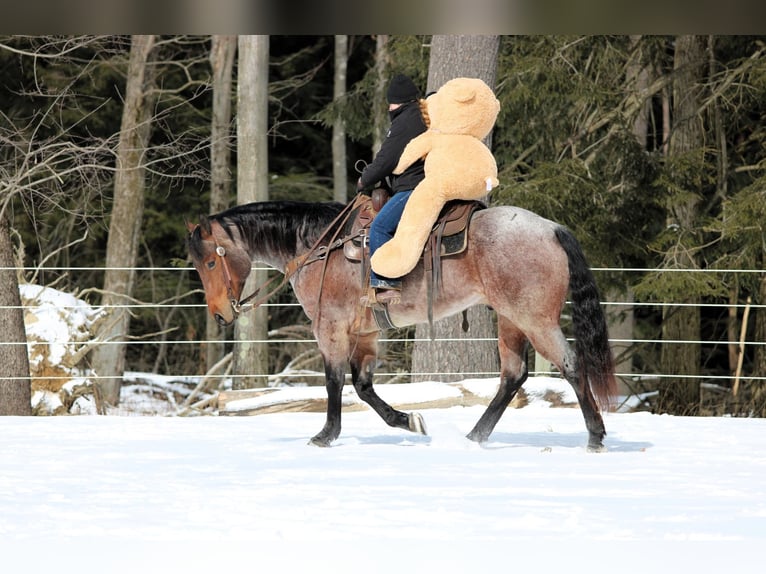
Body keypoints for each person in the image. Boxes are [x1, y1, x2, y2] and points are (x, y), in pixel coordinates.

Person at [357, 73, 428, 306]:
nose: (389, 107)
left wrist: (364, 179)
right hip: (417, 183)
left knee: (379, 227)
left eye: (391, 102)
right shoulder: (418, 116)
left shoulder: (405, 121)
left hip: (412, 188)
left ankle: (386, 283)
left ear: (399, 101)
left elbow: (387, 158)